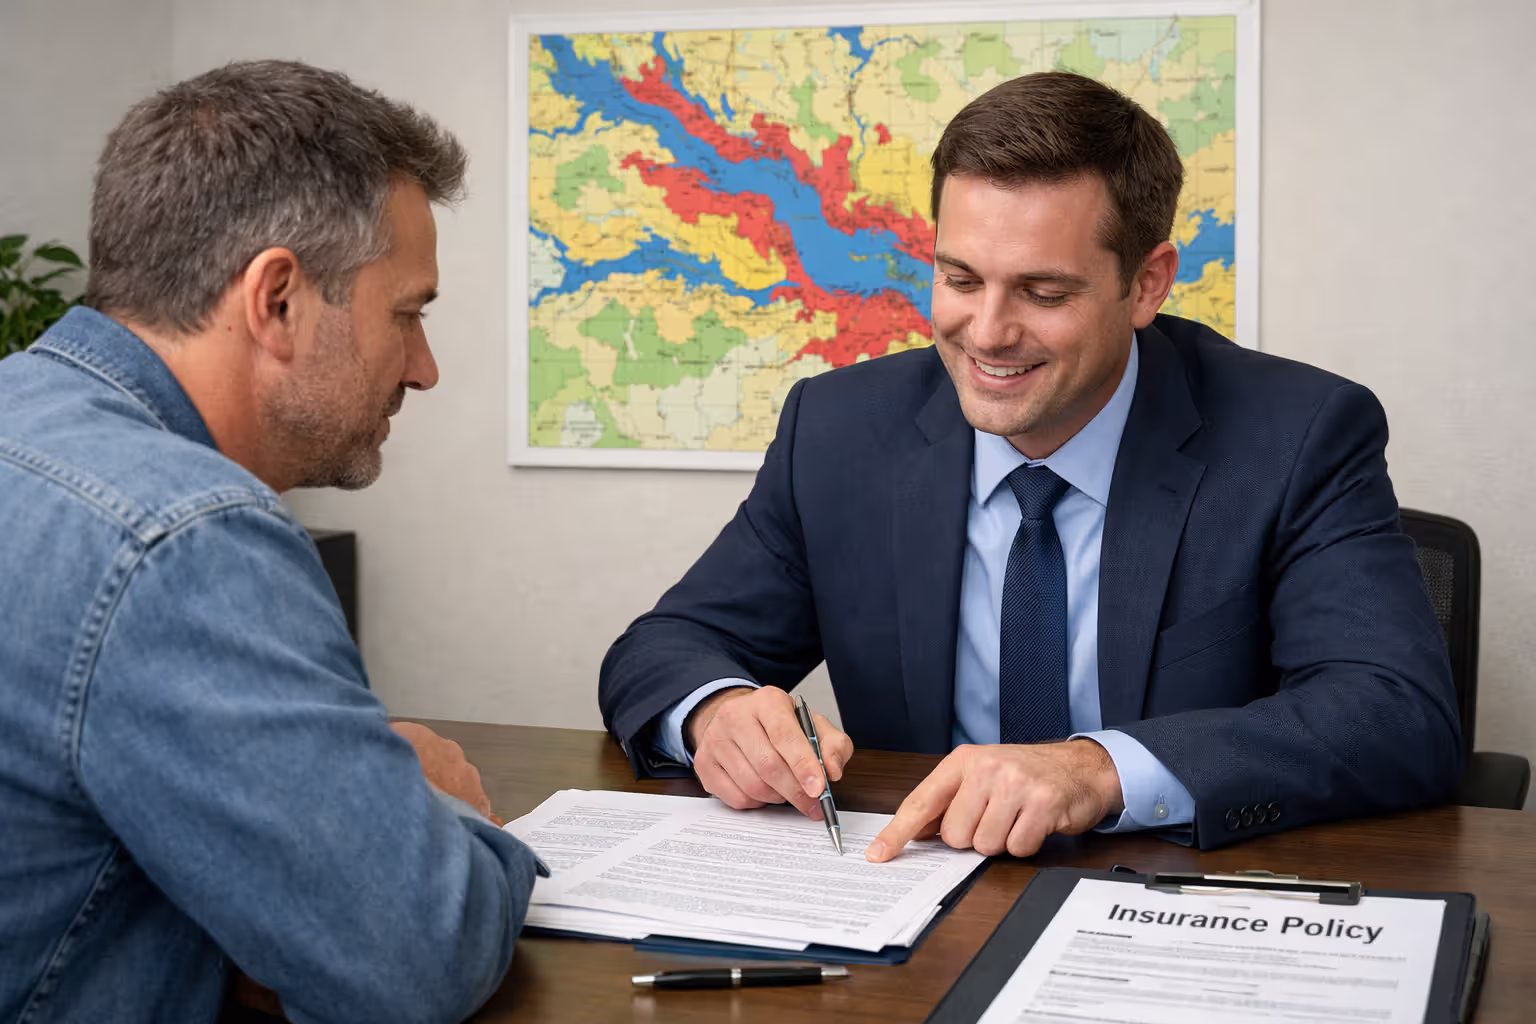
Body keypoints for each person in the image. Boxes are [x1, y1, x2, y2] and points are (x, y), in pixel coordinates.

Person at [598, 71, 1462, 861]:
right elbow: (665, 647)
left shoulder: (1296, 433)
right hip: (916, 898)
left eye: (1043, 294)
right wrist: (714, 711)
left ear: (1148, 283)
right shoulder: (839, 431)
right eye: (960, 278)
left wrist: (1096, 771)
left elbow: (1396, 713)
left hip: (1174, 902)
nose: (988, 332)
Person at [0, 61, 541, 1023]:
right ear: (278, 299)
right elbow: (415, 956)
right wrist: (439, 806)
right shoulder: (184, 538)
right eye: (407, 313)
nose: (424, 369)